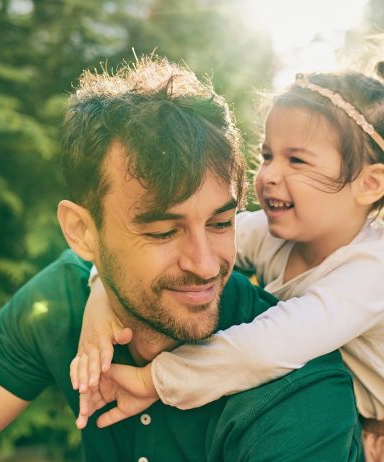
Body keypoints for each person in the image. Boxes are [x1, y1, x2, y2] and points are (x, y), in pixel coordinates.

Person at [0, 56, 362, 462]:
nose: (206, 264)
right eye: (163, 230)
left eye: (221, 223)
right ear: (82, 232)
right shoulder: (63, 299)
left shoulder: (300, 394)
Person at [70, 64, 384, 458]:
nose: (269, 175)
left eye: (297, 161)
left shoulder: (373, 272)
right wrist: (101, 296)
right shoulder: (277, 234)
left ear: (370, 184)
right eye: (267, 155)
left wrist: (154, 381)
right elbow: (138, 239)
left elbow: (264, 348)